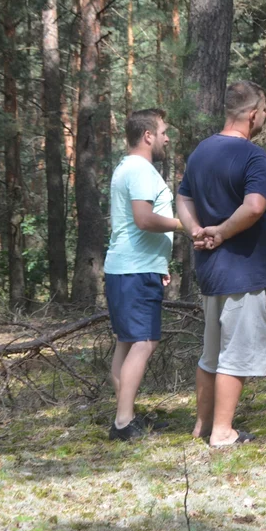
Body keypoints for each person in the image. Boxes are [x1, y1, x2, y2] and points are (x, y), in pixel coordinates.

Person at [177, 81, 266, 447]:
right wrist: (221, 232)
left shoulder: (201, 151)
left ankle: (203, 425)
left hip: (213, 272)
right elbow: (255, 206)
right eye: (265, 111)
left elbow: (183, 198)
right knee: (234, 354)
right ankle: (223, 433)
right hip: (245, 272)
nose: (265, 117)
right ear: (253, 114)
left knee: (211, 353)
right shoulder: (253, 156)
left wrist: (195, 230)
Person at [104, 108, 183, 441]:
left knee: (127, 342)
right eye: (163, 131)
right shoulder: (139, 169)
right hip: (134, 271)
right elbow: (144, 219)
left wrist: (159, 264)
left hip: (132, 269)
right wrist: (185, 225)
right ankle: (123, 423)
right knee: (145, 342)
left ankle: (128, 416)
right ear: (148, 135)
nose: (167, 137)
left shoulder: (128, 167)